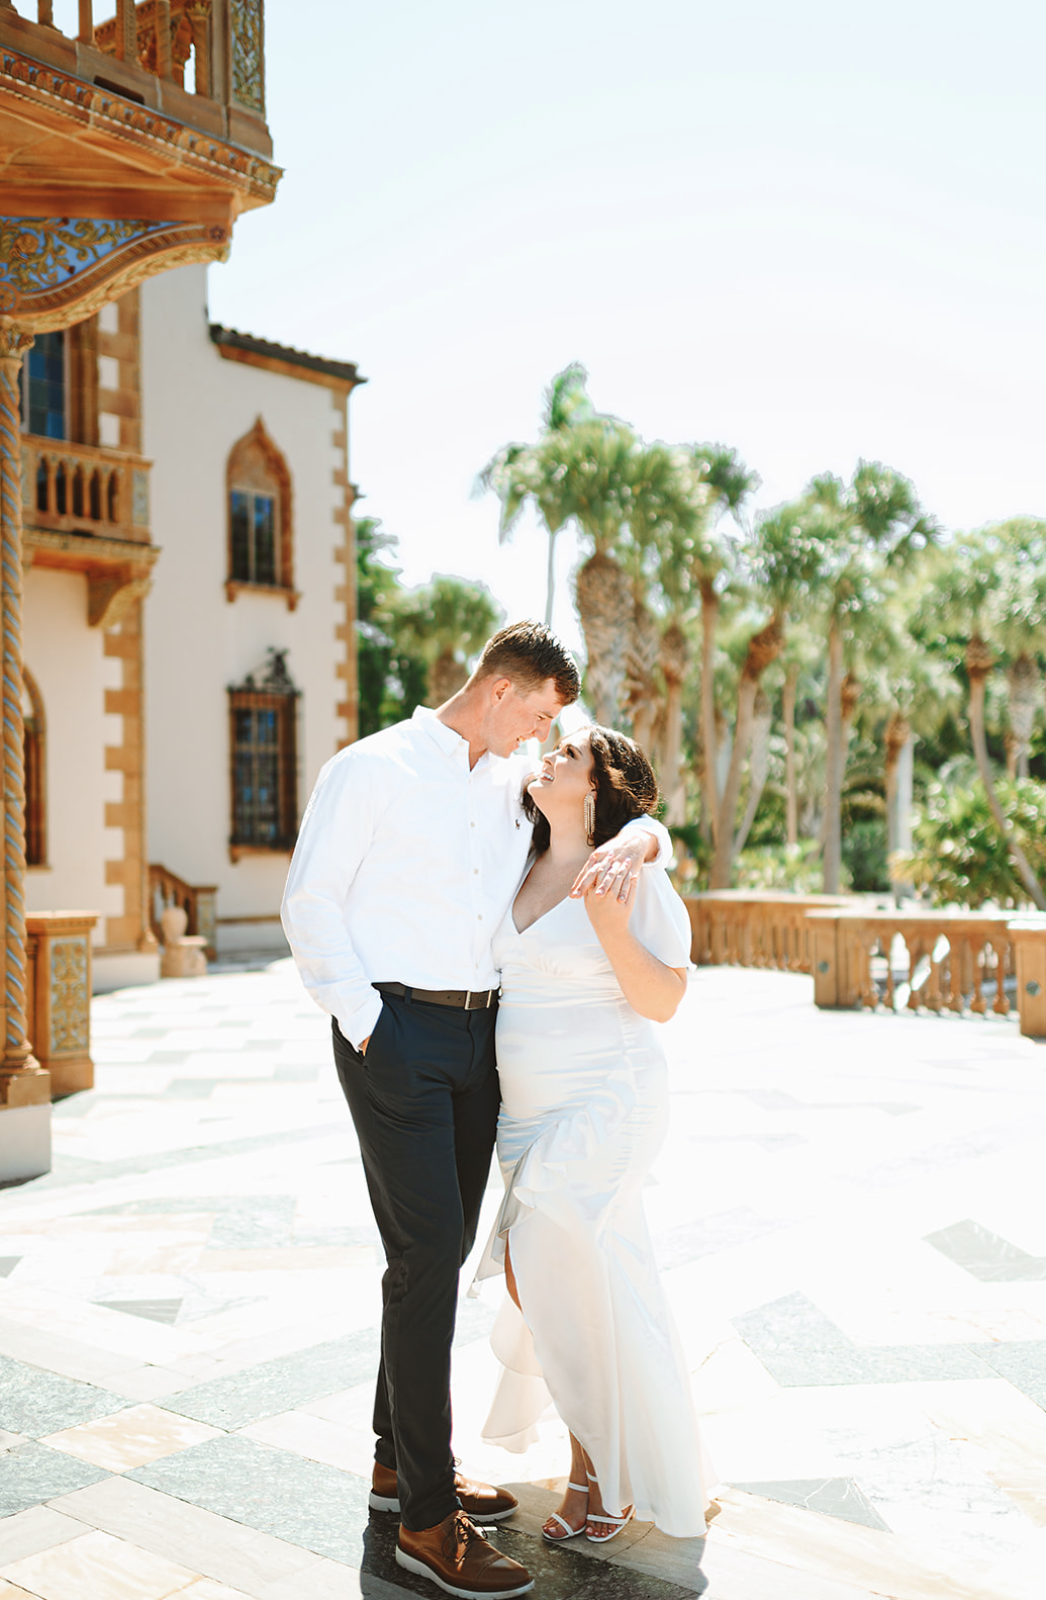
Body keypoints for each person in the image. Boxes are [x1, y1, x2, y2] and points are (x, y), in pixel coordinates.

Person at [281, 623, 670, 1600]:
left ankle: (393, 1459)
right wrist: (371, 1022)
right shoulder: (370, 768)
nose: (545, 737)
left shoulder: (511, 786)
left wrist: (642, 833)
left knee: (441, 1256)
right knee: (424, 1257)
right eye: (540, 713)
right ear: (502, 689)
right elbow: (309, 901)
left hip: (480, 1042)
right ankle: (422, 1520)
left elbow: (604, 811)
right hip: (396, 1034)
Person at [476, 725, 712, 1544]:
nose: (546, 757)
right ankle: (595, 1463)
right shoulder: (517, 854)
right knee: (556, 1288)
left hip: (609, 1100)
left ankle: (609, 1475)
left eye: (568, 754)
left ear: (600, 785)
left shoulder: (628, 873)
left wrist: (623, 893)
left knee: (560, 1275)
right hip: (523, 1117)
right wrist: (651, 834)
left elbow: (664, 1001)